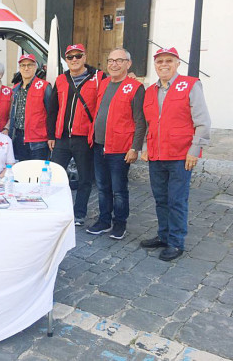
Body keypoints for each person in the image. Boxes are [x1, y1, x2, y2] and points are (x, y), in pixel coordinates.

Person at [139, 47, 211, 261]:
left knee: (177, 200)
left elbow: (203, 122)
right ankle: (164, 235)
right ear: (155, 65)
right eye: (159, 61)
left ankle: (176, 242)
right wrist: (144, 147)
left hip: (181, 155)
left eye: (168, 61)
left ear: (177, 63)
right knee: (161, 199)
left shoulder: (190, 85)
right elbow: (148, 123)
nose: (164, 65)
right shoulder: (150, 90)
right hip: (156, 155)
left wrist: (194, 150)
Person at [86, 48, 146, 239]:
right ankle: (104, 220)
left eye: (119, 60)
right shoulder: (103, 84)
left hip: (120, 148)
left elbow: (140, 121)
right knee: (103, 187)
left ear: (128, 64)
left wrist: (135, 147)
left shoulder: (135, 87)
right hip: (99, 145)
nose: (113, 64)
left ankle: (120, 223)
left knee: (119, 189)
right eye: (110, 60)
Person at [46, 44, 105, 226]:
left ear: (84, 57)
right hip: (62, 137)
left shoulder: (99, 77)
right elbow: (53, 109)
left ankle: (79, 214)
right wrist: (51, 135)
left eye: (78, 56)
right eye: (70, 57)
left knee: (85, 178)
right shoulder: (61, 79)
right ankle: (54, 209)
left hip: (84, 138)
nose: (74, 60)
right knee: (55, 176)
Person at [8, 53, 51, 161]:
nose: (26, 68)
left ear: (35, 67)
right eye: (23, 65)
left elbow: (52, 114)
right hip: (18, 139)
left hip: (38, 141)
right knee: (22, 173)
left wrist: (51, 137)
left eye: (29, 65)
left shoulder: (44, 86)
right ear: (19, 68)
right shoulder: (15, 89)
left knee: (37, 174)